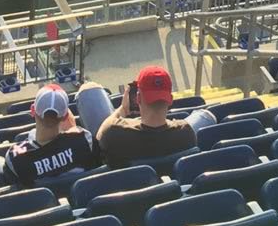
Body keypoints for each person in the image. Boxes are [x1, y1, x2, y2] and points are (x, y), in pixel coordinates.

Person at [76, 66, 215, 169]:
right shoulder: (187, 133)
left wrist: (123, 110)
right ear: (170, 100)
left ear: (138, 98)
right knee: (205, 115)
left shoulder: (113, 134)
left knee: (89, 88)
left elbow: (100, 132)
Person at [0, 85, 99, 186]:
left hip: (28, 188)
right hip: (71, 200)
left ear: (33, 111)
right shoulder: (84, 140)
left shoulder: (15, 157)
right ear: (64, 116)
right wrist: (71, 131)